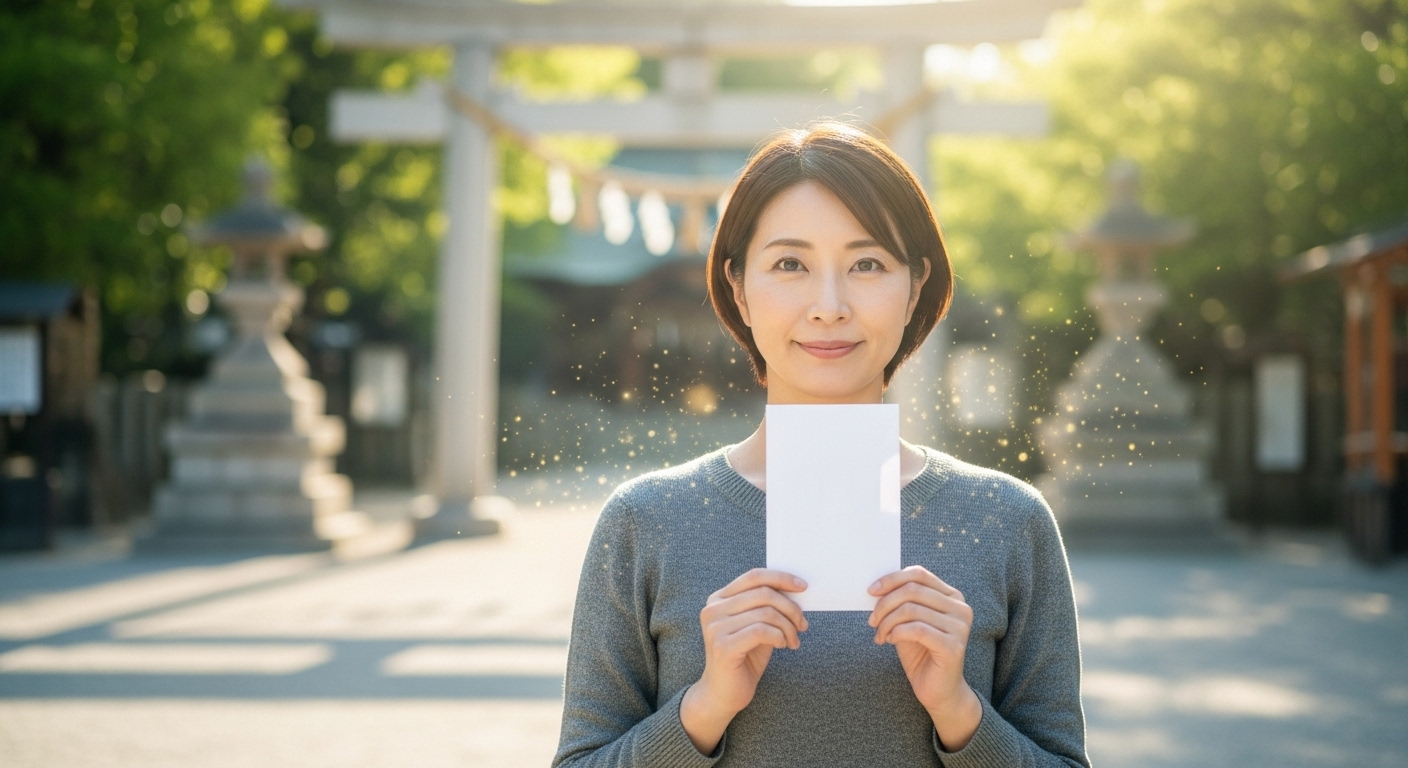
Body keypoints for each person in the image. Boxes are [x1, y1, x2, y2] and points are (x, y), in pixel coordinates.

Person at [553, 122, 1089, 767]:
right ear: (738, 288)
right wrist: (704, 706)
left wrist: (959, 712)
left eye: (866, 264)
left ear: (915, 285)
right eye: (789, 264)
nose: (829, 305)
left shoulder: (1007, 519)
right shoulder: (646, 520)